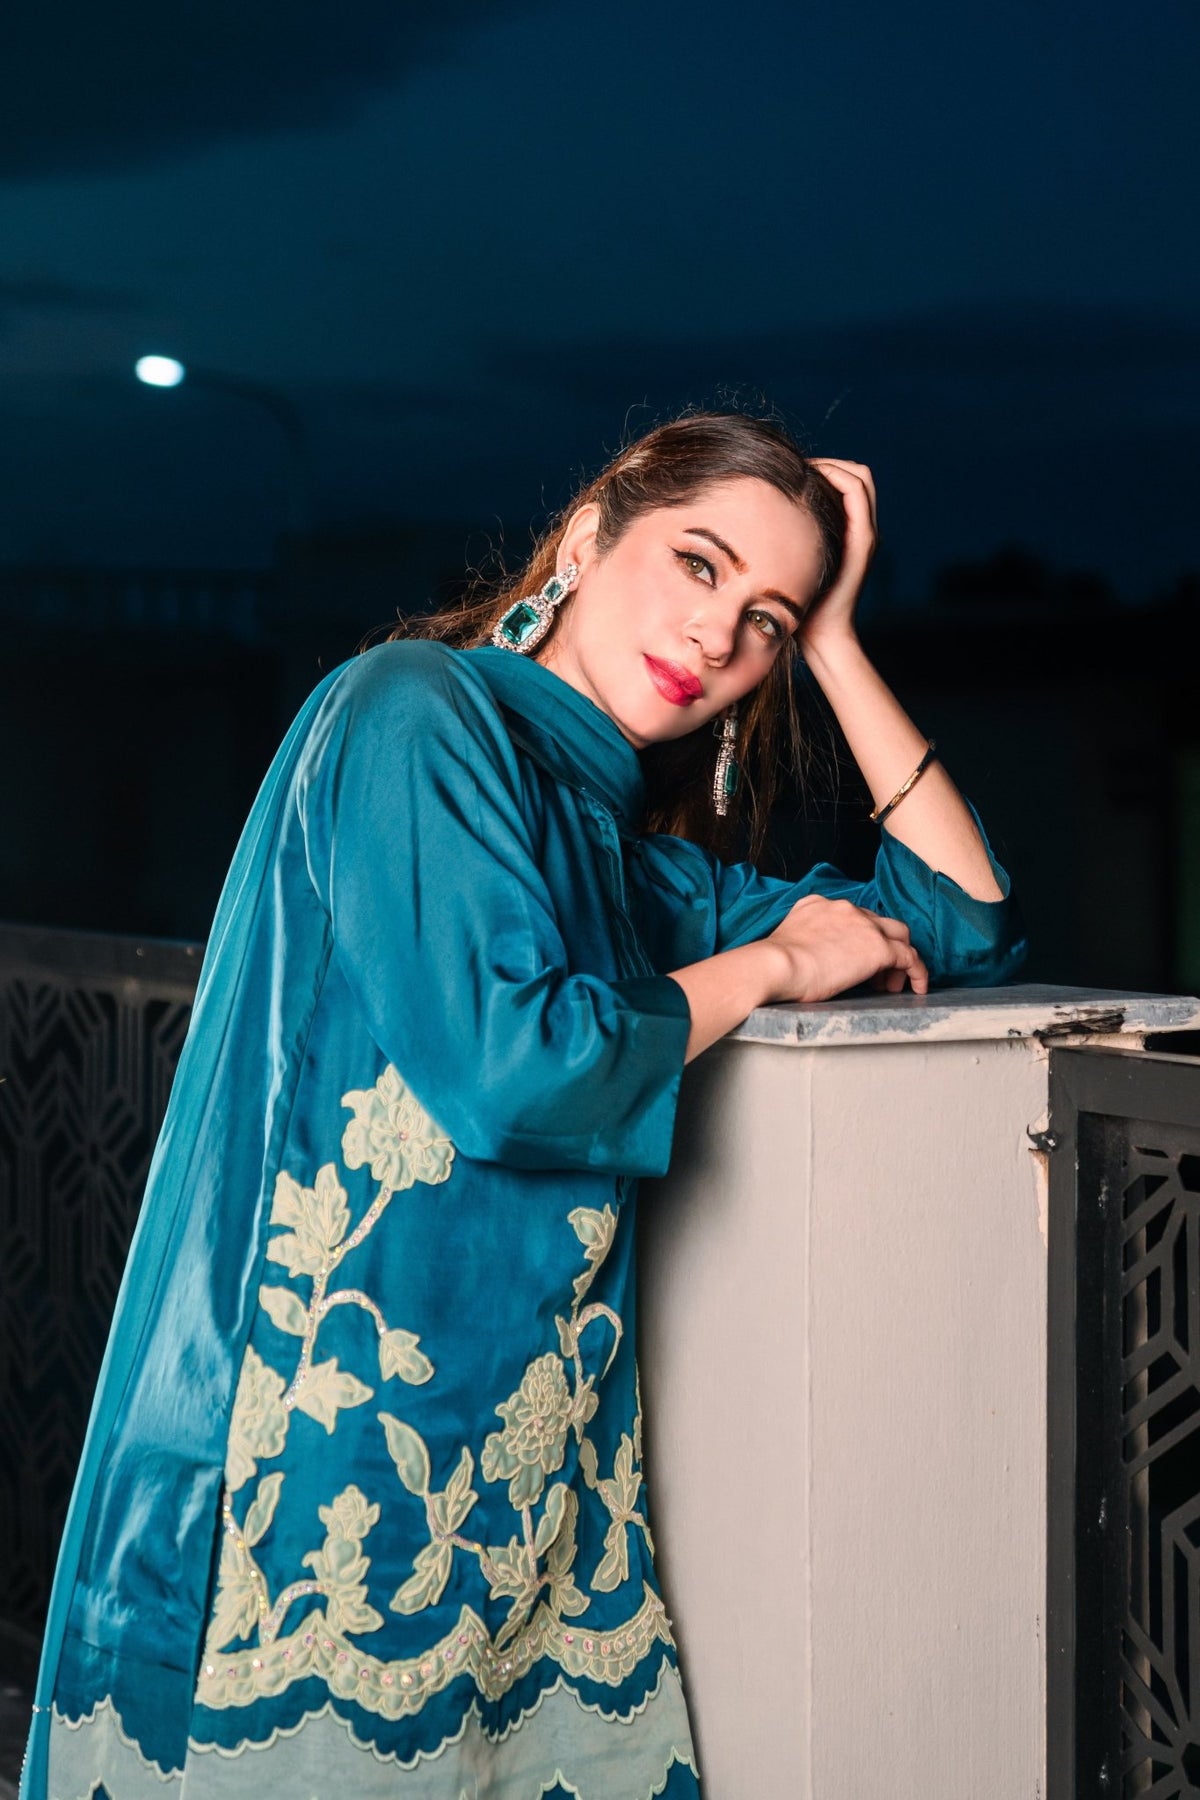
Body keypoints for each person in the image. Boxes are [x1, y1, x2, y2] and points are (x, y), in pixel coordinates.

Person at [21, 411, 1026, 1800]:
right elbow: (516, 1069)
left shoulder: (630, 868)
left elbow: (963, 923)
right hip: (320, 1476)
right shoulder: (410, 713)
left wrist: (841, 643)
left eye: (765, 621)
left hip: (529, 1496)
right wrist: (772, 964)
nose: (717, 635)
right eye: (698, 563)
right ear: (589, 535)